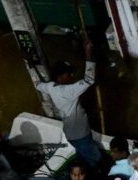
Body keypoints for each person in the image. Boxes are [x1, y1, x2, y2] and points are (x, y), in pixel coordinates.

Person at [35, 40, 101, 168]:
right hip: (81, 135)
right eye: (68, 73)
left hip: (70, 134)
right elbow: (89, 79)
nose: (71, 75)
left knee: (83, 156)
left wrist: (31, 64)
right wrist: (88, 53)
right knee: (95, 160)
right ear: (60, 76)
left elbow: (38, 85)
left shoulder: (50, 86)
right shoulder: (68, 91)